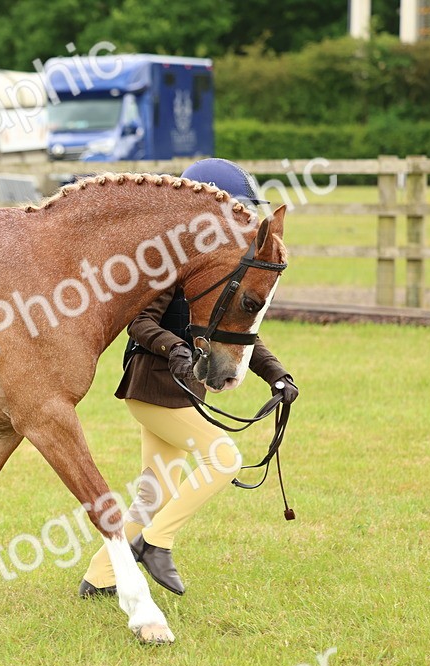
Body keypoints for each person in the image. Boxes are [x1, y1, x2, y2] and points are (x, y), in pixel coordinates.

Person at [79, 158, 299, 599]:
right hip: (152, 385)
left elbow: (233, 332)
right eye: (233, 208)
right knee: (224, 459)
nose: (240, 218)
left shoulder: (221, 267)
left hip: (180, 390)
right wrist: (176, 350)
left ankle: (100, 577)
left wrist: (276, 374)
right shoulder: (167, 264)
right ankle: (157, 544)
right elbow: (140, 323)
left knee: (154, 491)